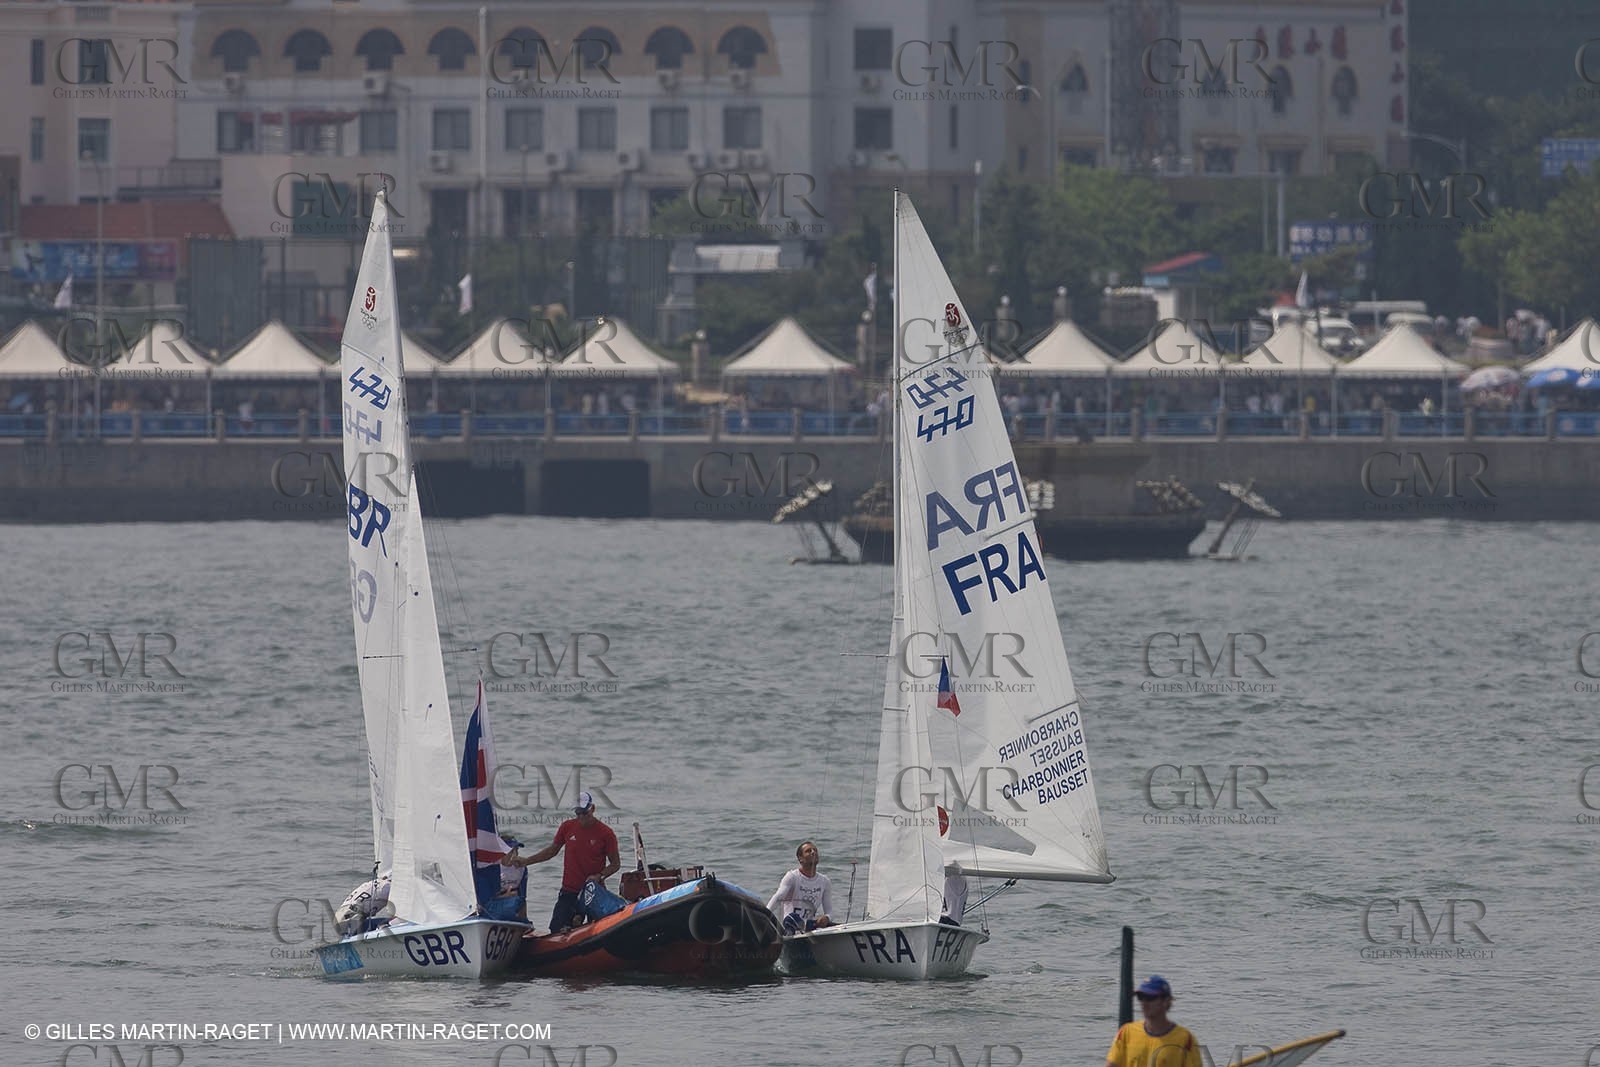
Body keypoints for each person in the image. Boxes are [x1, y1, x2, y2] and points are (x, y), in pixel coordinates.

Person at [502, 791, 619, 934]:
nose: (581, 817)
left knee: (599, 928)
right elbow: (552, 851)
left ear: (592, 809)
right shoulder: (567, 827)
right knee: (556, 929)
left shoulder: (606, 833)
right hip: (569, 889)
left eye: (584, 812)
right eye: (578, 813)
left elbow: (615, 864)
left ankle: (579, 921)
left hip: (593, 891)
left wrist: (599, 875)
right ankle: (574, 922)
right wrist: (527, 861)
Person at [1105, 975, 1201, 1067]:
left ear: (1166, 1001)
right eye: (1141, 997)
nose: (1144, 1003)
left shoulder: (1185, 1039)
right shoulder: (1126, 1033)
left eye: (1150, 998)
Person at [768, 840, 834, 934]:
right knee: (792, 918)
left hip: (810, 926)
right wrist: (765, 916)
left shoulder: (825, 881)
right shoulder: (792, 877)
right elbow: (777, 898)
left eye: (815, 850)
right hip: (790, 926)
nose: (813, 852)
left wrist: (826, 918)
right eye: (808, 851)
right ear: (800, 859)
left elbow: (830, 912)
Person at [333, 870, 393, 936]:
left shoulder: (369, 883)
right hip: (351, 917)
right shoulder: (388, 887)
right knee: (391, 923)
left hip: (340, 916)